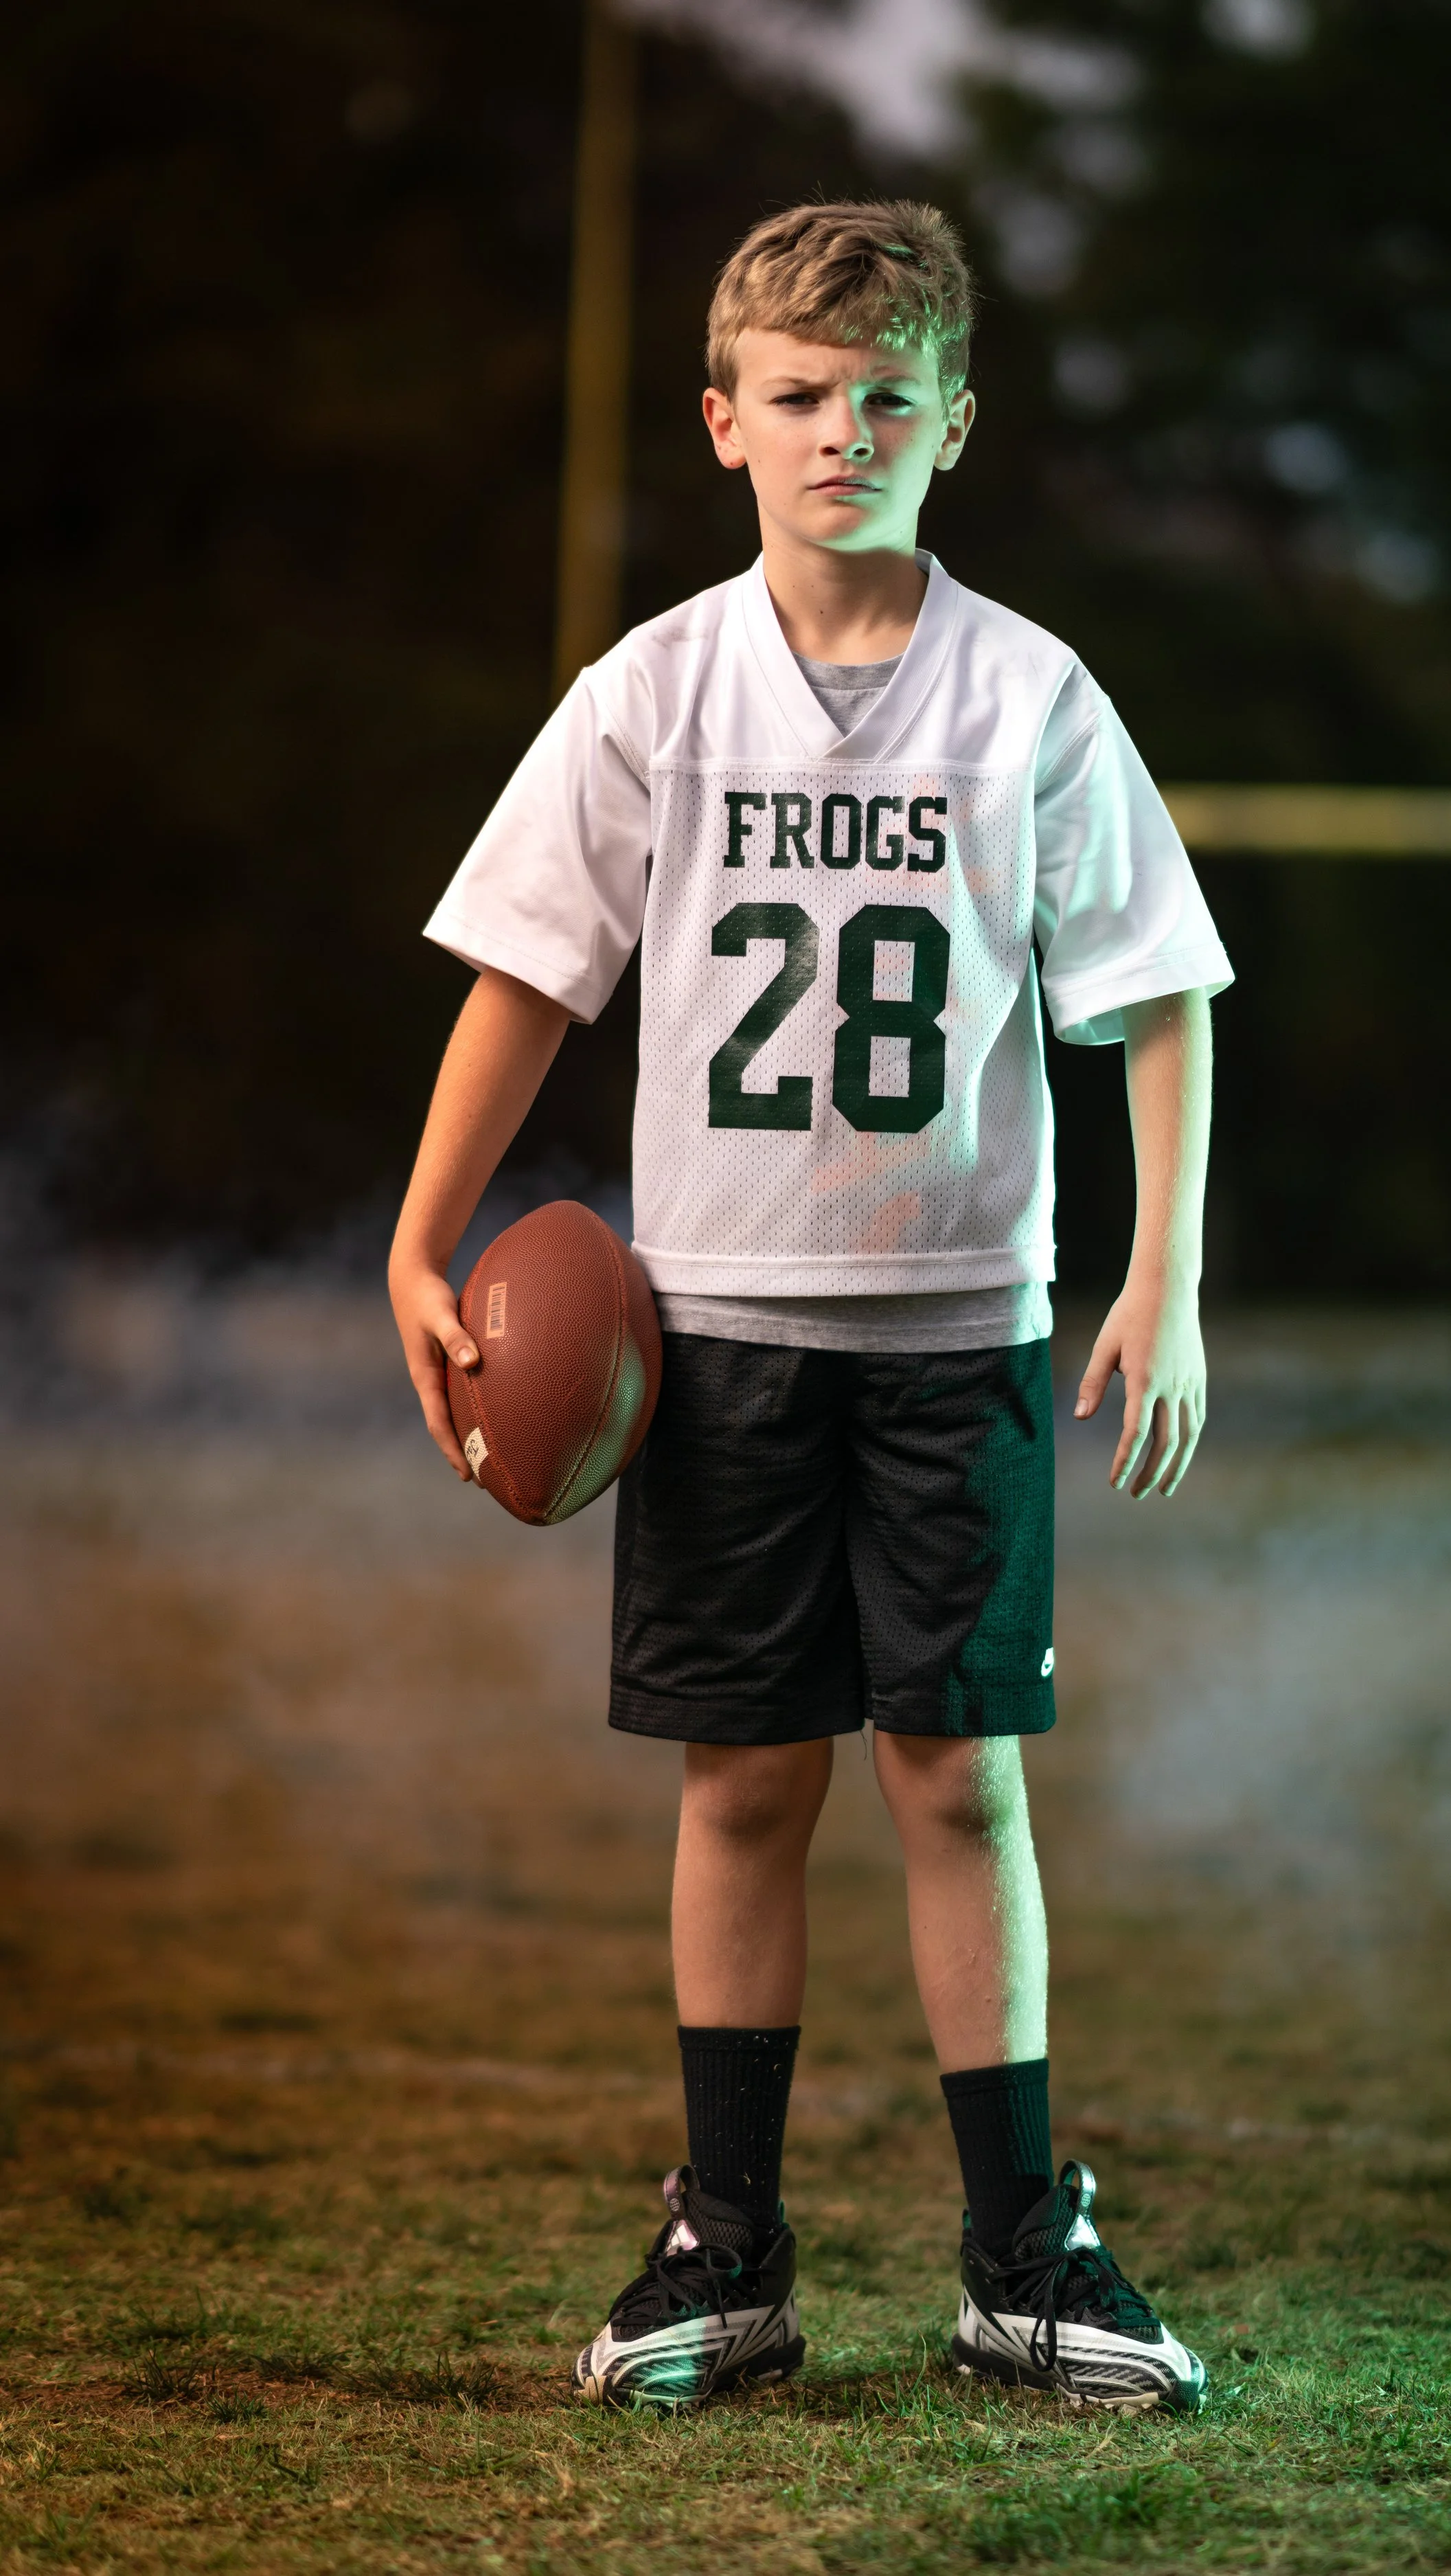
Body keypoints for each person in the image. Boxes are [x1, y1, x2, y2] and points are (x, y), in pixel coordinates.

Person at [389, 201, 1231, 2417]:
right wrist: (421, 1229)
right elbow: (526, 972)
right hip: (720, 1329)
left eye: (884, 398)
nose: (838, 432)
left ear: (956, 420)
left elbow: (1154, 995)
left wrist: (1163, 1263)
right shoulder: (654, 688)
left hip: (960, 1320)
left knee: (959, 1780)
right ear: (722, 422)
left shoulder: (1028, 693)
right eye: (796, 396)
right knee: (742, 1781)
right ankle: (725, 2242)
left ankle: (1017, 2247)